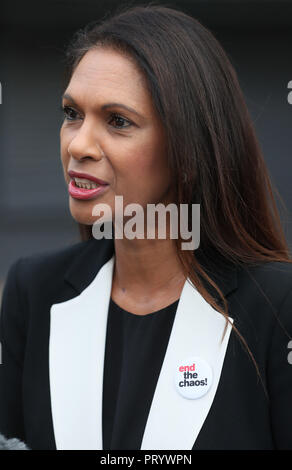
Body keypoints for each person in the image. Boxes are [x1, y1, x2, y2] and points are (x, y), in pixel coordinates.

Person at [1, 3, 292, 450]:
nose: (78, 144)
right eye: (72, 113)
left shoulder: (277, 306)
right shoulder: (33, 292)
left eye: (118, 121)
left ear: (188, 144)